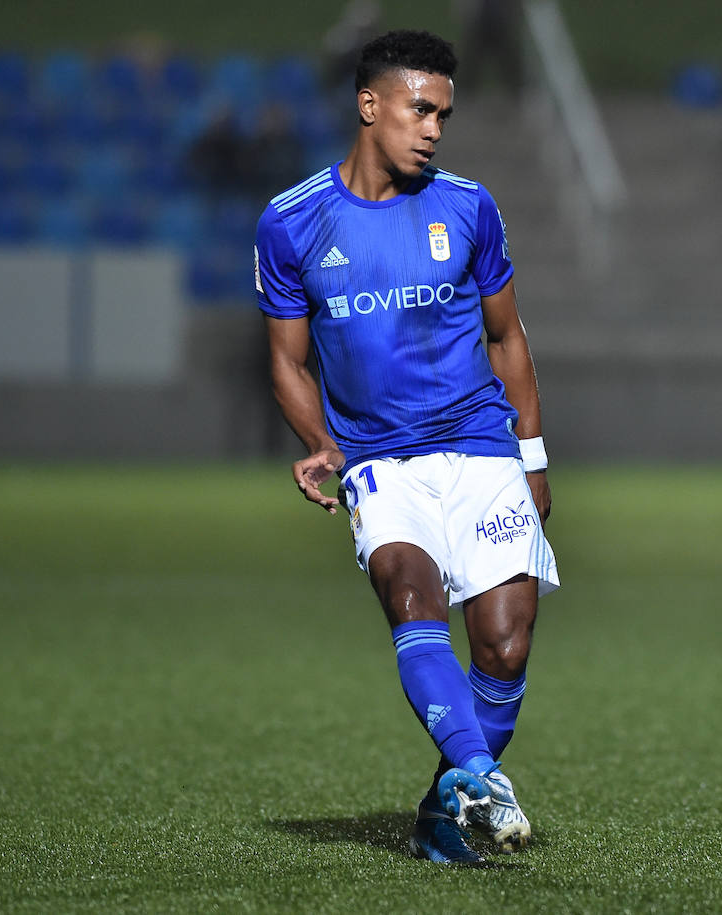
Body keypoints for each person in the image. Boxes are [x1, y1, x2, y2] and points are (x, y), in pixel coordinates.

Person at [253, 29, 559, 866]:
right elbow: (285, 359)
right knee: (411, 595)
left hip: (480, 445)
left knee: (503, 643)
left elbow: (509, 339)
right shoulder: (292, 221)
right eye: (420, 109)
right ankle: (484, 779)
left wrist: (531, 460)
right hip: (378, 461)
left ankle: (444, 806)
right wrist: (322, 442)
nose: (432, 129)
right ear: (370, 105)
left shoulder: (469, 207)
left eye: (443, 116)